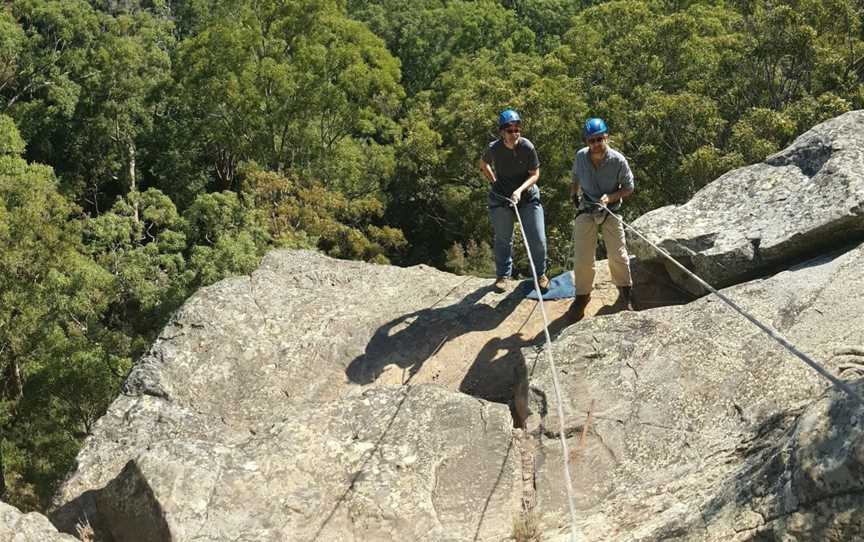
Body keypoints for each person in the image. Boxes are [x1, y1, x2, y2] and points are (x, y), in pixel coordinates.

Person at [479, 108, 549, 293]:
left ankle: (540, 274)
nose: (514, 133)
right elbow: (483, 163)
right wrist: (494, 181)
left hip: (527, 196)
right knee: (503, 239)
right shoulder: (494, 148)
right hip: (502, 198)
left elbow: (535, 174)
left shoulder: (527, 147)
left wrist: (519, 190)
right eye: (510, 130)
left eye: (517, 129)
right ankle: (503, 275)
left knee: (538, 240)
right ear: (502, 132)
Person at [570, 117, 635, 310]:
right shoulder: (581, 156)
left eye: (600, 139)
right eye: (592, 140)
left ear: (607, 137)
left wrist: (610, 197)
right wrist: (574, 193)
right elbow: (575, 176)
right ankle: (582, 296)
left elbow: (629, 187)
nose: (597, 144)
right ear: (586, 142)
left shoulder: (618, 160)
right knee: (582, 256)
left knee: (618, 254)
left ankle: (625, 292)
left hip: (610, 210)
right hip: (587, 208)